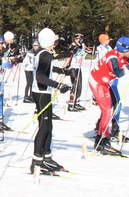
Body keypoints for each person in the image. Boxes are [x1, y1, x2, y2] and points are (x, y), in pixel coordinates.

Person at [29, 28, 72, 175]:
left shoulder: (42, 53)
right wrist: (58, 85)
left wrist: (63, 72)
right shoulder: (45, 54)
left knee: (49, 125)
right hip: (41, 93)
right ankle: (37, 161)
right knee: (44, 126)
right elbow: (40, 77)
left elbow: (48, 67)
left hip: (42, 92)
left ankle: (46, 156)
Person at [89, 36, 129, 155]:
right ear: (125, 49)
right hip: (98, 82)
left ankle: (102, 139)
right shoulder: (113, 57)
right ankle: (102, 142)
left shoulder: (120, 54)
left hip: (104, 83)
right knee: (107, 112)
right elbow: (118, 72)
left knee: (109, 110)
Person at [66, 33, 91, 112]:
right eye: (77, 39)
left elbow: (89, 51)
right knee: (74, 85)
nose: (78, 40)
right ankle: (71, 103)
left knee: (79, 85)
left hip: (79, 67)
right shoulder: (72, 45)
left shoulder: (82, 45)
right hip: (73, 67)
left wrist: (93, 48)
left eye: (80, 39)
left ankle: (76, 101)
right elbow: (72, 51)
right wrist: (77, 46)